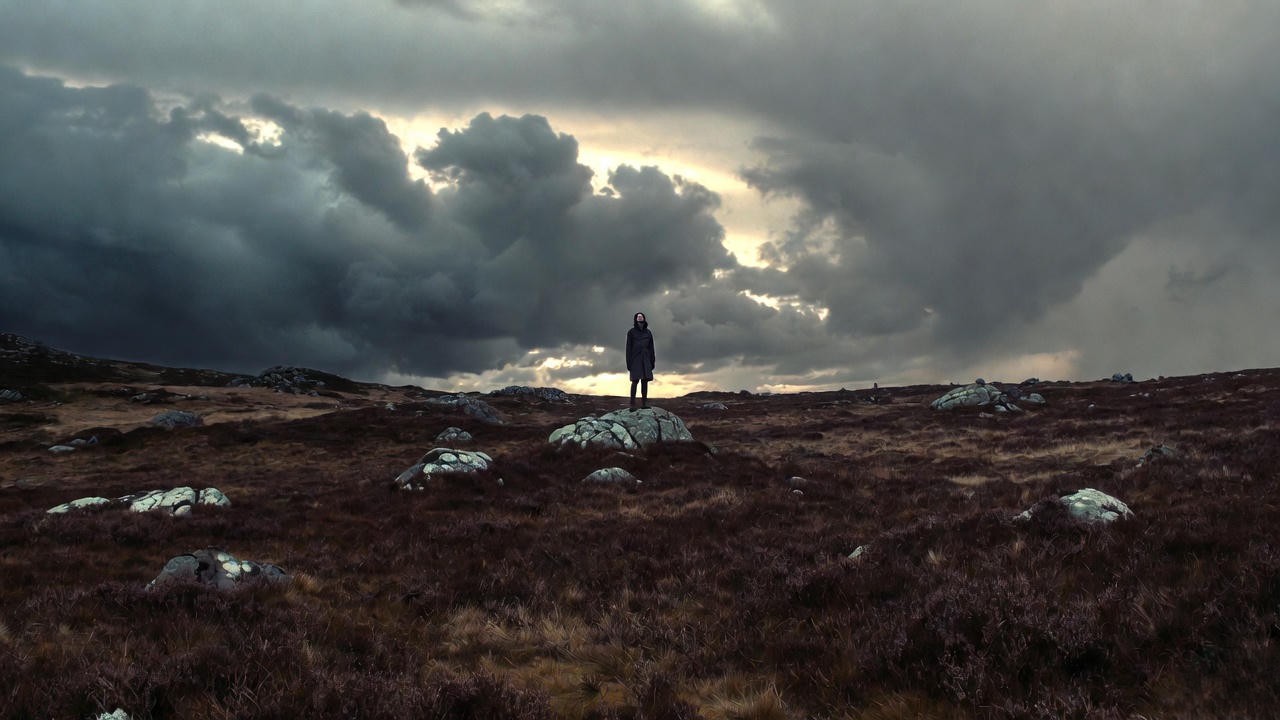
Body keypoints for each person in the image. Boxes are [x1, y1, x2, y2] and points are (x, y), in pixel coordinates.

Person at [626, 311, 655, 410]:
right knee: (635, 381)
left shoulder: (648, 332)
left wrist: (652, 361)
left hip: (646, 358)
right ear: (635, 319)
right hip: (635, 359)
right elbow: (628, 348)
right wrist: (628, 362)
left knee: (645, 381)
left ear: (644, 318)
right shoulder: (631, 332)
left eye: (641, 316)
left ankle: (644, 403)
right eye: (638, 316)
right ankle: (632, 404)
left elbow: (651, 348)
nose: (639, 317)